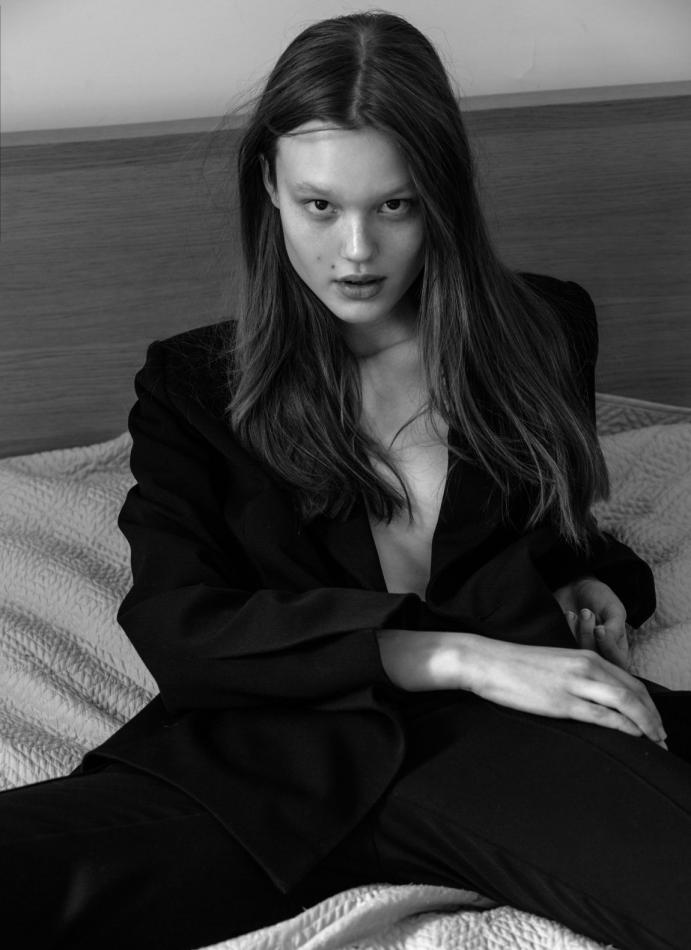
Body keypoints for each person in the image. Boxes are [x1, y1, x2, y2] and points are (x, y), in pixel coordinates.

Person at [1, 11, 690, 950]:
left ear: (441, 196)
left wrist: (590, 577)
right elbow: (180, 626)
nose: (356, 251)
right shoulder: (194, 386)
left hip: (506, 742)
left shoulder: (545, 329)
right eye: (320, 206)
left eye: (393, 206)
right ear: (270, 188)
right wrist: (461, 655)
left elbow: (542, 527)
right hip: (271, 761)